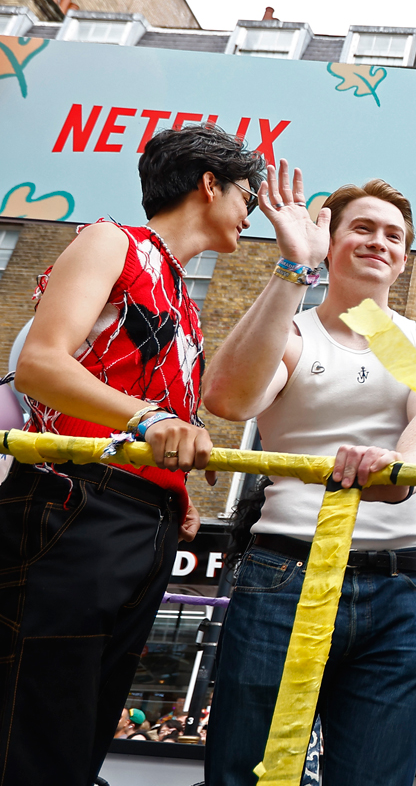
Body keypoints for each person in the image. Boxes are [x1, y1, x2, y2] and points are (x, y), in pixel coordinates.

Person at [0, 123, 260, 785]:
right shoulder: (111, 240)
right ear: (209, 184)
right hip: (71, 502)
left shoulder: (187, 306)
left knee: (83, 731)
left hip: (140, 522)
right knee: (37, 727)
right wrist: (152, 419)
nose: (253, 208)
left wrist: (175, 496)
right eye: (247, 193)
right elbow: (40, 364)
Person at [201, 163, 416, 786]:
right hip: (285, 573)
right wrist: (294, 267)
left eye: (394, 235)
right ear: (331, 239)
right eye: (363, 228)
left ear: (405, 259)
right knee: (248, 769)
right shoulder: (293, 333)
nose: (380, 242)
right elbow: (229, 400)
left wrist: (399, 468)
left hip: (398, 584)